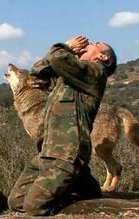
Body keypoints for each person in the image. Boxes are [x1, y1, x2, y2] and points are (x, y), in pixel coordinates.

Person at [8, 36, 117, 216]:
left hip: (67, 155)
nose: (90, 43)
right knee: (16, 201)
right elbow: (36, 73)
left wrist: (67, 47)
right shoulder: (70, 72)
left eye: (96, 44)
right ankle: (83, 185)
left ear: (102, 57)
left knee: (34, 207)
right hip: (48, 153)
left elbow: (57, 58)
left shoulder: (96, 72)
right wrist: (67, 51)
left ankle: (79, 185)